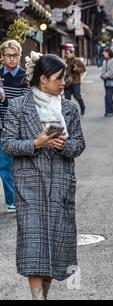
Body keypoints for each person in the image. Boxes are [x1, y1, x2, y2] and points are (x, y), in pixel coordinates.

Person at [1, 52, 85, 300]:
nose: (63, 83)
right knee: (34, 248)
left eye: (64, 78)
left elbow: (79, 145)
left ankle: (43, 296)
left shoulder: (69, 108)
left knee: (56, 249)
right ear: (43, 79)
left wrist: (62, 145)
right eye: (59, 78)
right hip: (29, 185)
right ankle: (38, 298)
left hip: (60, 184)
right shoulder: (18, 107)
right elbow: (7, 144)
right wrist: (35, 143)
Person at [0, 40, 29, 214]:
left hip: (16, 127)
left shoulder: (25, 76)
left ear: (19, 56)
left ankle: (18, 199)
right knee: (4, 165)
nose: (12, 59)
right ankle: (12, 200)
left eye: (15, 55)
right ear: (2, 56)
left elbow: (23, 105)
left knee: (15, 164)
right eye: (8, 55)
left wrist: (4, 100)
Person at [63, 43, 87, 116]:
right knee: (67, 99)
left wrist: (76, 68)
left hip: (75, 82)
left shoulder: (77, 60)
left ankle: (82, 107)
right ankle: (69, 113)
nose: (66, 54)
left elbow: (84, 69)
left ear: (72, 53)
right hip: (67, 83)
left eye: (67, 53)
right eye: (65, 53)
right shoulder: (64, 61)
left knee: (77, 96)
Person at [100, 48, 113, 117]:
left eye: (105, 52)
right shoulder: (104, 61)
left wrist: (104, 76)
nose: (103, 53)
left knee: (108, 96)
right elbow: (103, 70)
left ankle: (109, 111)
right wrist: (102, 75)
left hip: (112, 80)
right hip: (106, 81)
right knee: (109, 97)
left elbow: (112, 71)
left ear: (109, 53)